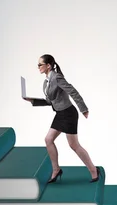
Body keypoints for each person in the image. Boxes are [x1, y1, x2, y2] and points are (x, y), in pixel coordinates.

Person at [24, 54, 101, 183]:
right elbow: (50, 101)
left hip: (69, 114)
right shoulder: (46, 81)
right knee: (48, 140)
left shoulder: (57, 77)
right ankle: (56, 170)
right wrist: (32, 100)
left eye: (40, 65)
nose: (38, 67)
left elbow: (73, 91)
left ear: (48, 65)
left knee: (74, 145)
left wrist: (84, 109)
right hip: (60, 114)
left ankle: (93, 170)